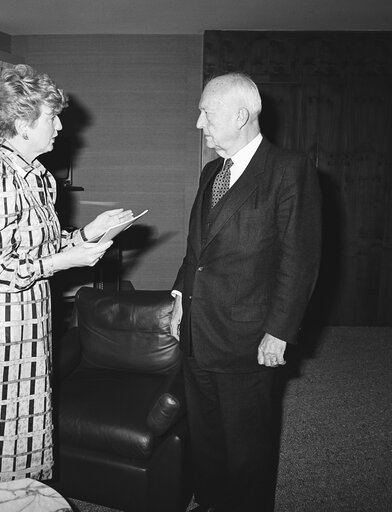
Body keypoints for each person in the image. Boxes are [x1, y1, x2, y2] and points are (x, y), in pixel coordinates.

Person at [0, 64, 132, 485]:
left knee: (27, 407)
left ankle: (19, 492)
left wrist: (90, 232)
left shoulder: (39, 177)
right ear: (21, 123)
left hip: (27, 303)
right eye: (52, 116)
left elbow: (40, 246)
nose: (61, 125)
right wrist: (65, 263)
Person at [170, 72, 322, 512]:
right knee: (207, 433)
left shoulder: (289, 170)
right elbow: (196, 248)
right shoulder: (210, 172)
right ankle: (213, 499)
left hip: (248, 337)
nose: (199, 123)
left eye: (206, 113)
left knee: (247, 443)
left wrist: (279, 330)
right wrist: (181, 298)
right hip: (198, 330)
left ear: (240, 116)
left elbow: (300, 260)